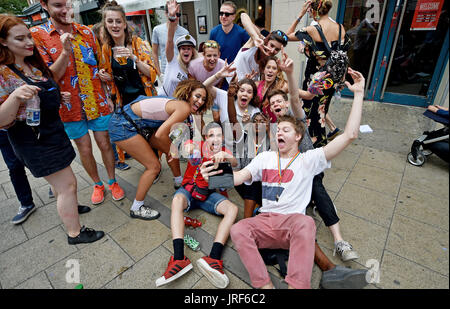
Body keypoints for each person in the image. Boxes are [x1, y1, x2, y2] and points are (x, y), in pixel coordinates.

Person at [201, 66, 366, 289]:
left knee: (307, 223)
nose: (279, 132)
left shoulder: (309, 159)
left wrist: (358, 94)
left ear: (298, 136)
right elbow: (239, 176)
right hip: (266, 221)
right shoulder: (265, 158)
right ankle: (264, 286)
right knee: (239, 229)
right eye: (278, 130)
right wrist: (212, 176)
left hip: (293, 223)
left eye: (285, 130)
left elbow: (350, 135)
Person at [0, 14, 104, 244]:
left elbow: (50, 80)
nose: (29, 42)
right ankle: (75, 233)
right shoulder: (3, 73)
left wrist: (57, 94)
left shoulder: (30, 63)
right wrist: (15, 97)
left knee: (61, 184)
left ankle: (70, 209)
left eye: (29, 36)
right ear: (3, 42)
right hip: (33, 140)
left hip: (53, 131)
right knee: (68, 184)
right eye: (20, 38)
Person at [31, 0, 125, 205]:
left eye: (67, 4)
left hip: (97, 100)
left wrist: (108, 94)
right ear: (44, 5)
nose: (65, 10)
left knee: (105, 143)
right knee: (84, 148)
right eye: (58, 5)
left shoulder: (87, 32)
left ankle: (112, 181)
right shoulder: (38, 35)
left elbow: (100, 66)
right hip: (68, 106)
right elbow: (49, 77)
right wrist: (65, 51)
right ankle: (97, 184)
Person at [108, 79, 213, 220]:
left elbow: (200, 124)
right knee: (154, 166)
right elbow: (160, 135)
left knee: (171, 147)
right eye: (197, 96)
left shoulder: (181, 105)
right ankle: (137, 207)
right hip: (123, 125)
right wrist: (172, 150)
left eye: (203, 99)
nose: (200, 101)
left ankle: (178, 181)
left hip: (133, 121)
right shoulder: (184, 108)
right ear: (188, 93)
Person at [156, 122, 238, 289]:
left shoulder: (224, 151)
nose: (215, 139)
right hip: (188, 192)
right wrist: (188, 146)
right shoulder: (198, 146)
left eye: (219, 135)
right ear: (205, 138)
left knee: (233, 209)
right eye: (211, 136)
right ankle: (179, 258)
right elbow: (187, 147)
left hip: (206, 195)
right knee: (176, 200)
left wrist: (225, 156)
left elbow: (235, 163)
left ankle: (213, 258)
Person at [287, 0, 350, 147]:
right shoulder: (340, 28)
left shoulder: (311, 30)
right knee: (321, 112)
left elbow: (287, 36)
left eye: (309, 11)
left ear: (313, 11)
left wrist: (300, 14)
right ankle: (320, 145)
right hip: (330, 80)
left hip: (314, 78)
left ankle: (307, 145)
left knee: (307, 112)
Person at [229, 12, 288, 82]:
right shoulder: (258, 40)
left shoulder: (270, 61)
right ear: (267, 40)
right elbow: (243, 15)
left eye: (277, 49)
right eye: (272, 45)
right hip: (232, 83)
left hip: (247, 89)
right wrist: (255, 37)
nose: (272, 50)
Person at [188, 40, 226, 123]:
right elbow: (192, 86)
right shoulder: (193, 65)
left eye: (215, 55)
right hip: (198, 92)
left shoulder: (223, 65)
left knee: (217, 118)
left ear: (219, 55)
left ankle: (218, 134)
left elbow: (220, 82)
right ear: (203, 55)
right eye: (209, 55)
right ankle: (204, 136)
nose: (212, 59)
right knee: (198, 118)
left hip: (212, 91)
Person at [151, 0, 189, 82]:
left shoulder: (185, 32)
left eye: (178, 14)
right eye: (172, 14)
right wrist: (159, 73)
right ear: (166, 13)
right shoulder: (157, 30)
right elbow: (154, 52)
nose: (175, 17)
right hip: (165, 71)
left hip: (181, 71)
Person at [209, 1, 250, 67]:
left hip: (236, 69)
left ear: (233, 16)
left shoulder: (241, 32)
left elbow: (249, 51)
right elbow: (210, 52)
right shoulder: (214, 32)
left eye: (227, 14)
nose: (223, 16)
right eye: (221, 13)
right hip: (218, 69)